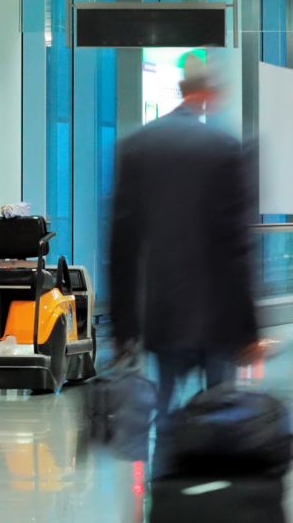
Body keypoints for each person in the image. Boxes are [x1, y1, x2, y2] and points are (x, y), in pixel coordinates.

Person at [108, 53, 262, 412]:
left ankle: (164, 463)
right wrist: (249, 329)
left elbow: (122, 245)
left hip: (163, 311)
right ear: (209, 93)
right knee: (221, 412)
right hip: (218, 314)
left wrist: (122, 327)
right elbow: (237, 247)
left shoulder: (137, 147)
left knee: (165, 406)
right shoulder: (223, 149)